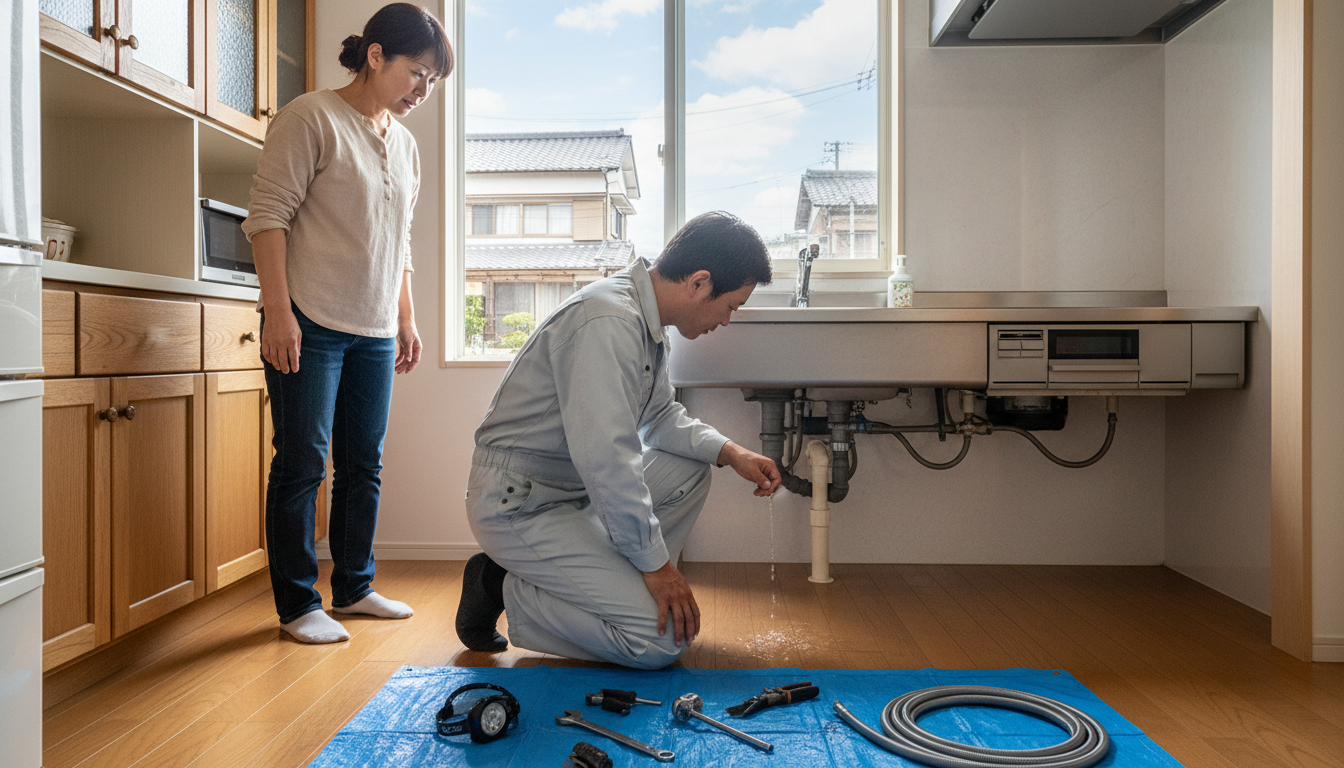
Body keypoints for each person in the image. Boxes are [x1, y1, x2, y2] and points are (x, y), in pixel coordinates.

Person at [456, 211, 783, 669]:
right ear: (699, 283)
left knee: (691, 467)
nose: (727, 321)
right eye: (730, 305)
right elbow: (608, 459)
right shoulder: (608, 321)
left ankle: (615, 582)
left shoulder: (645, 323)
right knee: (660, 643)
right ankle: (498, 584)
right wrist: (659, 570)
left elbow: (660, 418)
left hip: (570, 494)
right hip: (520, 505)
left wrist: (732, 452)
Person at [242, 3, 452, 644]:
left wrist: (406, 318)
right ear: (377, 55)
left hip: (374, 327)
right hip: (309, 318)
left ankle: (354, 587)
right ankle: (298, 604)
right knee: (303, 461)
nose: (422, 90)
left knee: (364, 463)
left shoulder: (406, 145)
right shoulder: (310, 117)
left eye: (433, 83)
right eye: (417, 73)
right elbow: (267, 218)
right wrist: (279, 313)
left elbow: (399, 241)